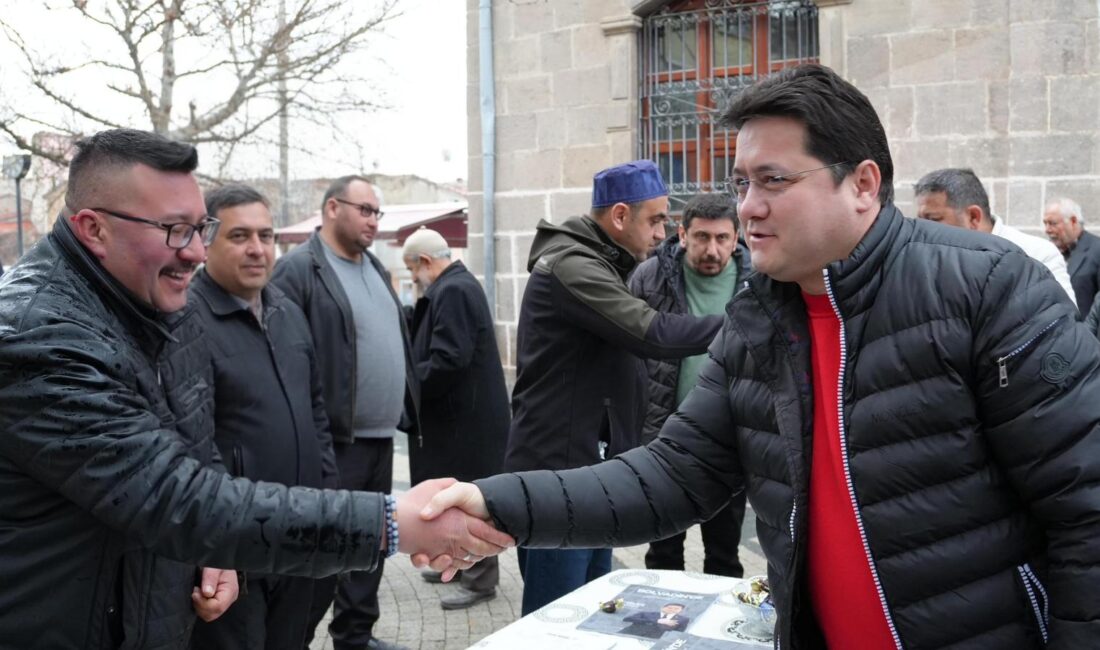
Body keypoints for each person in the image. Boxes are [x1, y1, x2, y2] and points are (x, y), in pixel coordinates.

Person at [422, 64, 1100, 649]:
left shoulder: (986, 287)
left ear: (862, 184)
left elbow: (1086, 512)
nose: (747, 207)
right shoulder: (757, 322)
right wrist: (492, 501)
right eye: (741, 182)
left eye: (771, 180)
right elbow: (665, 478)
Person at [0, 128, 512, 650]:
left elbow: (193, 450)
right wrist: (390, 522)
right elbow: (176, 497)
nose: (197, 252)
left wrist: (211, 550)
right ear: (94, 229)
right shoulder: (40, 337)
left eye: (202, 228)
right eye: (177, 230)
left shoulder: (143, 306)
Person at [504, 159, 724, 615]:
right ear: (620, 216)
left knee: (592, 612)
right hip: (559, 476)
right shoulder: (572, 266)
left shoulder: (600, 260)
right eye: (656, 219)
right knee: (556, 620)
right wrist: (742, 324)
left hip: (589, 471)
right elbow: (651, 333)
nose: (663, 233)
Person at [165, 183, 339, 650]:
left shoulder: (286, 312)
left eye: (266, 235)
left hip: (300, 535)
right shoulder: (186, 321)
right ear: (206, 243)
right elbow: (190, 444)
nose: (258, 249)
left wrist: (324, 492)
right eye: (240, 236)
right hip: (236, 547)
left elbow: (315, 410)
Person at [271, 175, 419, 650]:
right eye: (365, 210)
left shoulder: (374, 266)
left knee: (372, 542)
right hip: (333, 442)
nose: (374, 220)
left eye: (377, 212)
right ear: (332, 208)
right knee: (323, 550)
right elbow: (283, 356)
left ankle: (355, 636)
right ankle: (291, 638)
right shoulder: (299, 270)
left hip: (378, 438)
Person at [628, 193, 750, 578]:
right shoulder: (650, 277)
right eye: (701, 237)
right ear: (682, 233)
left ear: (736, 238)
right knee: (662, 555)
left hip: (729, 442)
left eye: (721, 238)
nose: (711, 249)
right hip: (663, 439)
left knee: (724, 556)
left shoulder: (759, 282)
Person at [400, 228, 510, 610]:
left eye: (413, 271)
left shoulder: (453, 290)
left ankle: (480, 580)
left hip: (468, 423)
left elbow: (449, 359)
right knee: (458, 495)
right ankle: (463, 568)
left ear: (426, 262)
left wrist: (409, 385)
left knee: (472, 497)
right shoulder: (453, 287)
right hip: (462, 420)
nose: (414, 280)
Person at [915, 168, 1077, 310]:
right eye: (920, 220)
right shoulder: (930, 262)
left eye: (933, 219)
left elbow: (1064, 323)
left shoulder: (1037, 254)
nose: (923, 229)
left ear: (973, 217)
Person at [1043, 197, 1100, 316]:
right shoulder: (1048, 253)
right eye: (1045, 223)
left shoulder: (1096, 250)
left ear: (1073, 221)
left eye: (1053, 223)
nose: (1047, 230)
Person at [618, 603, 691, 639]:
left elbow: (678, 633)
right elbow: (627, 619)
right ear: (662, 608)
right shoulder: (646, 613)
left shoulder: (683, 619)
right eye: (669, 607)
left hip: (652, 640)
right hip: (628, 634)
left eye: (676, 609)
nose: (672, 609)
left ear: (680, 611)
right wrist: (657, 621)